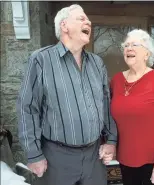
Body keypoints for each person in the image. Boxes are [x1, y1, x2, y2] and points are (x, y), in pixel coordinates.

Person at [16, 4, 117, 185]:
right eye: (81, 18)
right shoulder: (41, 60)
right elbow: (28, 109)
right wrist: (34, 154)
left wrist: (110, 140)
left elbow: (105, 105)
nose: (88, 22)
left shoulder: (97, 63)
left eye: (87, 19)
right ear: (64, 26)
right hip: (57, 158)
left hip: (94, 158)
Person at [110, 29, 154, 185]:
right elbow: (110, 118)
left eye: (134, 44)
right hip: (124, 159)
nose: (129, 48)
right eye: (126, 45)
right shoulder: (117, 80)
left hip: (151, 162)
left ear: (147, 54)